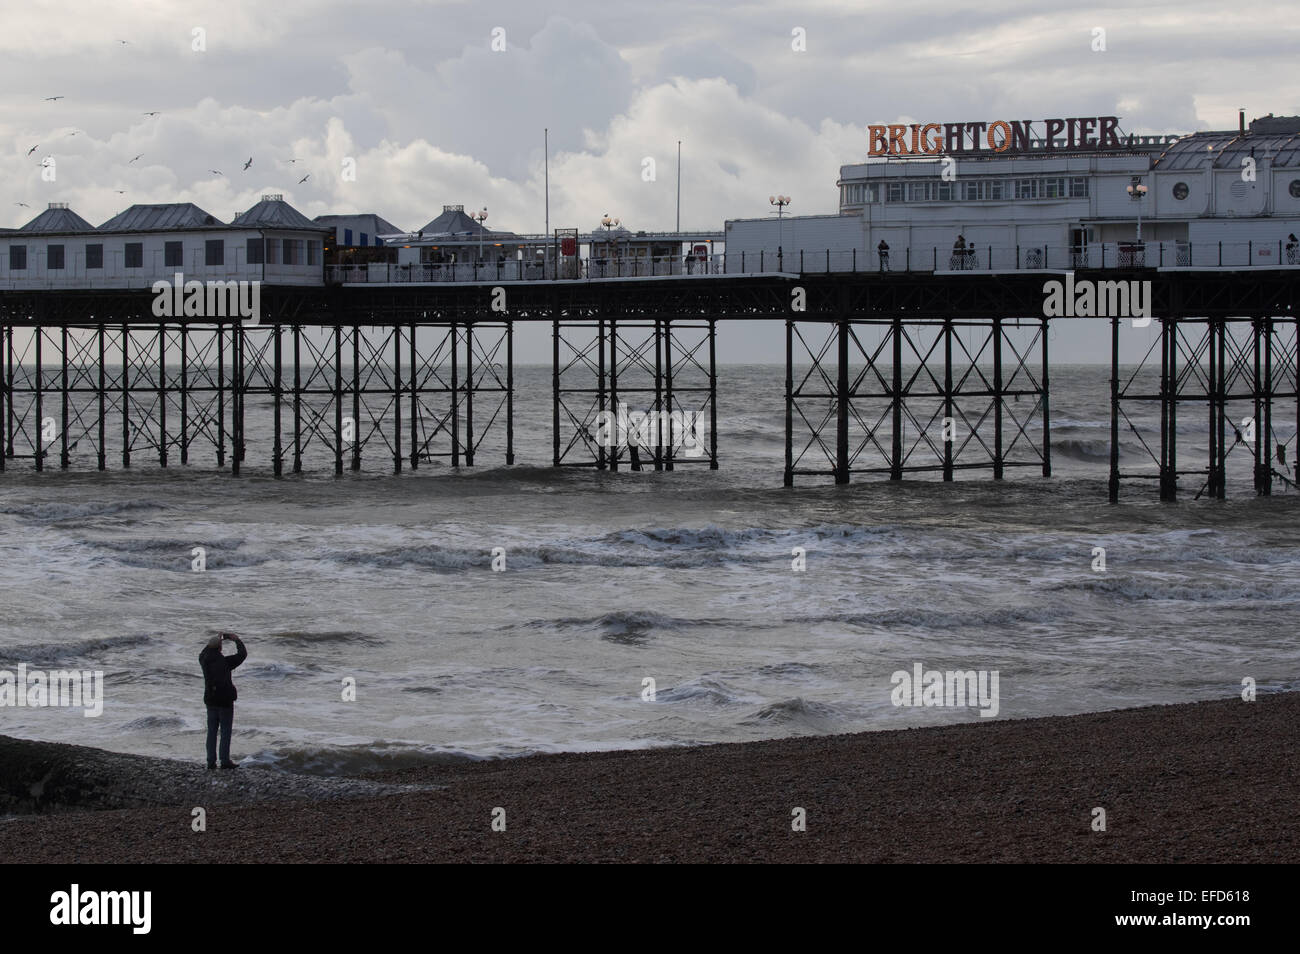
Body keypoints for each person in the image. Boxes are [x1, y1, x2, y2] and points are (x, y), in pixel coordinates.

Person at [200, 632, 247, 770]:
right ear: (220, 648)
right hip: (225, 700)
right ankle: (224, 760)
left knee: (212, 731)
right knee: (225, 731)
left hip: (210, 699)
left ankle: (210, 761)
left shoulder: (203, 659)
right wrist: (237, 640)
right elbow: (242, 655)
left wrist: (217, 638)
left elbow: (205, 649)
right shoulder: (225, 662)